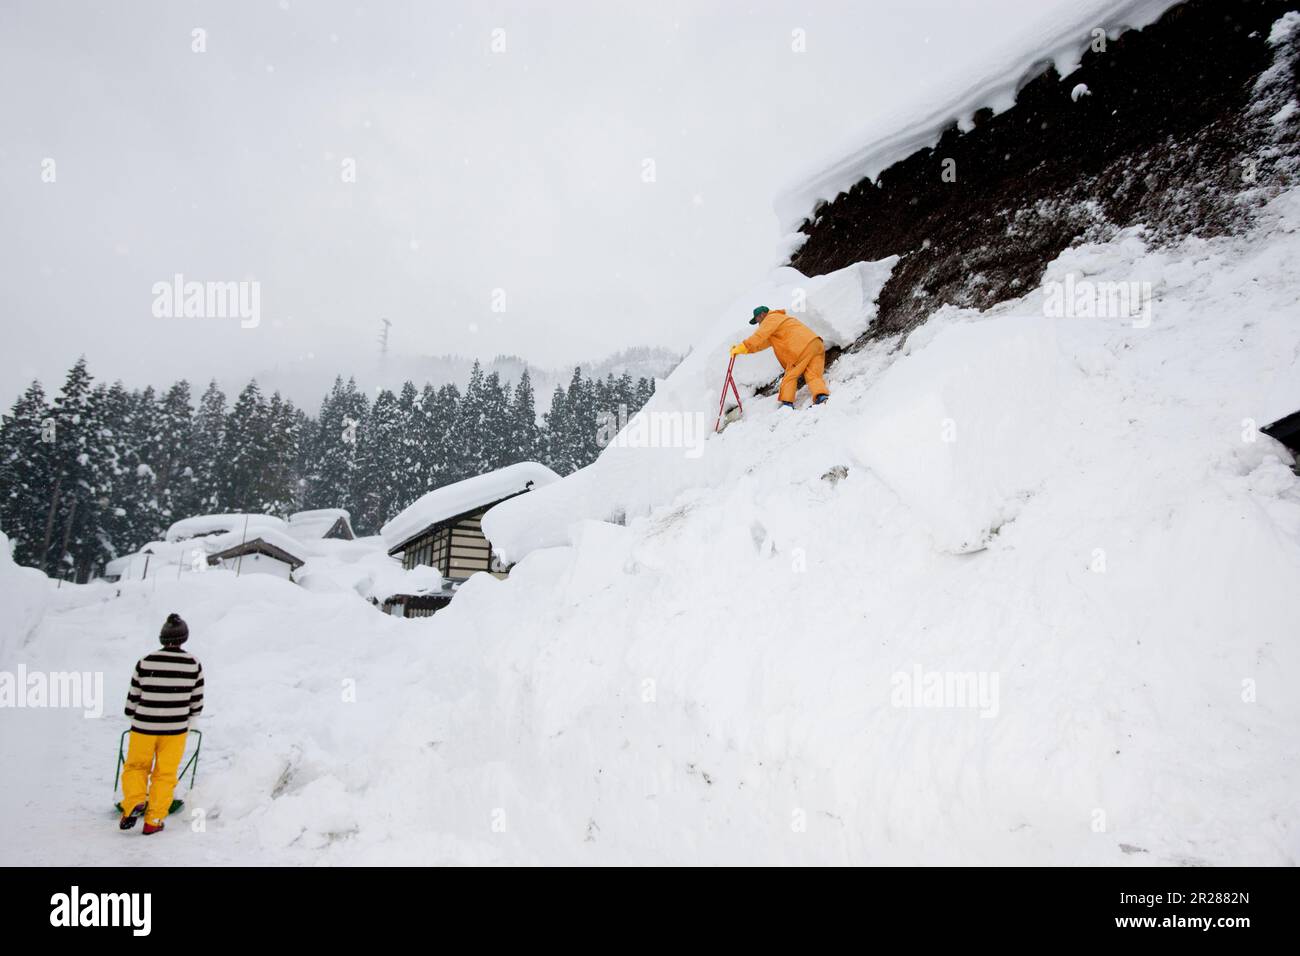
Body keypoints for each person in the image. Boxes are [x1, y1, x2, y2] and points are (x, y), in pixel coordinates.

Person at [119, 613, 204, 835]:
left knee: (136, 767)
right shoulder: (193, 664)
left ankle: (134, 803)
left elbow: (133, 697)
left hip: (144, 727)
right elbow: (196, 701)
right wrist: (189, 720)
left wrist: (134, 715)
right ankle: (154, 820)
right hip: (175, 730)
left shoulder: (146, 661)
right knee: (165, 774)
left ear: (162, 639)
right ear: (184, 638)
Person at [730, 306, 830, 409]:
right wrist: (743, 350)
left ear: (762, 315)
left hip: (800, 348)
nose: (759, 324)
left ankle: (787, 404)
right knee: (813, 375)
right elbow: (761, 343)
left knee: (789, 377)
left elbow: (759, 336)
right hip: (815, 344)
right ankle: (821, 396)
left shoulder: (770, 319)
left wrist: (743, 346)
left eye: (758, 320)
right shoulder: (779, 321)